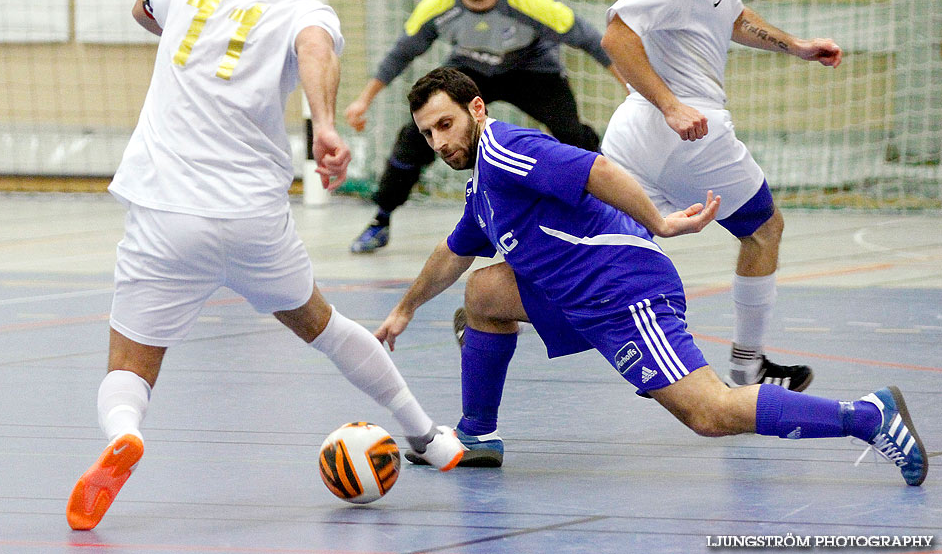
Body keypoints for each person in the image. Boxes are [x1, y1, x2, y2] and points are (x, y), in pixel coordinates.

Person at [65, 0, 463, 532]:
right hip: (251, 216)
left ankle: (124, 433)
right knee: (324, 326)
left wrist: (185, 26)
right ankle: (426, 435)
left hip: (166, 210)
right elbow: (314, 49)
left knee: (131, 361)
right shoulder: (307, 9)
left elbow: (142, 9)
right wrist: (325, 128)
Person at [374, 66, 926, 488]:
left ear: (476, 108)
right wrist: (406, 309)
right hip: (577, 293)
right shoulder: (482, 189)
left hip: (623, 289)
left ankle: (868, 417)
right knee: (484, 291)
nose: (440, 142)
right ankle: (477, 434)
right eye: (427, 135)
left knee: (709, 413)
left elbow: (599, 169)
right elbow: (454, 252)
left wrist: (658, 221)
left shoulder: (507, 150)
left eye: (446, 125)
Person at [600, 0, 844, 391]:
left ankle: (492, 312)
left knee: (607, 253)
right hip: (689, 134)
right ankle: (748, 364)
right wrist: (670, 104)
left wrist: (796, 45)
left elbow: (729, 15)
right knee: (764, 230)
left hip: (633, 131)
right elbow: (617, 35)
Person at [345, 0, 623, 253]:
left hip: (530, 66)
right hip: (471, 68)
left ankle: (610, 208)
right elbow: (402, 52)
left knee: (572, 134)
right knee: (415, 136)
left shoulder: (526, 0)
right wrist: (364, 99)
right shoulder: (439, 6)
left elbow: (588, 38)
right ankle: (381, 218)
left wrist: (629, 86)